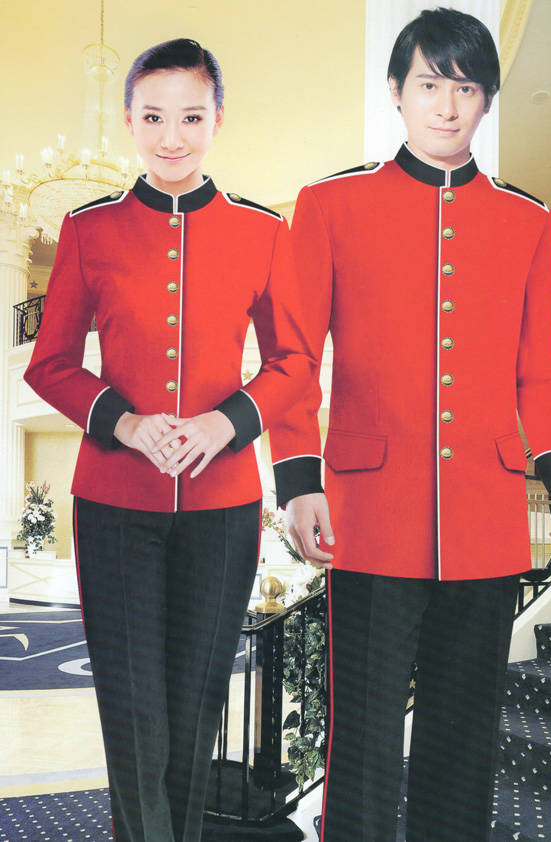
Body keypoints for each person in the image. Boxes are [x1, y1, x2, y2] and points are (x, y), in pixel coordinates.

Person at [269, 8, 551, 842]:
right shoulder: (330, 204)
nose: (447, 106)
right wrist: (297, 477)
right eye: (429, 85)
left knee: (463, 731)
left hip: (484, 512)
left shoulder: (525, 218)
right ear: (396, 92)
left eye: (466, 89)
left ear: (485, 101)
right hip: (369, 511)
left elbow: (534, 365)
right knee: (364, 734)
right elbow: (293, 356)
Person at [24, 38, 317, 842]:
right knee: (134, 715)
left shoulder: (261, 230)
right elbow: (49, 364)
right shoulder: (89, 229)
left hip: (224, 509)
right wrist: (124, 421)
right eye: (153, 117)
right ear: (128, 120)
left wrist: (227, 423)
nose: (172, 136)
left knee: (194, 713)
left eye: (190, 117)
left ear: (217, 119)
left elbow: (295, 361)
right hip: (114, 506)